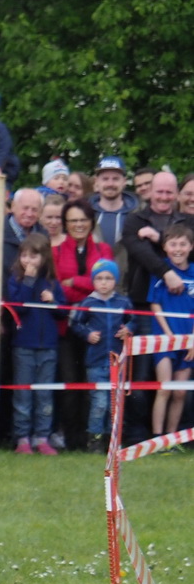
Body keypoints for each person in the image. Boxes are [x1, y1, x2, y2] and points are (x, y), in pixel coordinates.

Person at [52, 200, 111, 449]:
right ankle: (71, 438)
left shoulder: (103, 249)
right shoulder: (55, 251)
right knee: (70, 382)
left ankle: (93, 438)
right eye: (73, 220)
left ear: (91, 222)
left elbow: (105, 284)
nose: (78, 225)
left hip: (97, 329)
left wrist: (74, 281)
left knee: (94, 385)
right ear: (65, 224)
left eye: (83, 220)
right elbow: (58, 289)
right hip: (65, 328)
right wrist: (87, 284)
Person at [1, 233, 65, 453]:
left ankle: (42, 437)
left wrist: (53, 301)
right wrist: (28, 281)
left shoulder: (52, 283)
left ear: (44, 257)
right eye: (24, 256)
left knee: (44, 393)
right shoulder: (16, 280)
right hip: (24, 346)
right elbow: (18, 308)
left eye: (34, 256)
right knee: (23, 393)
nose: (28, 260)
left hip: (48, 346)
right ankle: (22, 438)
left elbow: (63, 312)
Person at [69, 260, 129, 446]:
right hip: (95, 361)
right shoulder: (88, 302)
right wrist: (88, 334)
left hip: (118, 362)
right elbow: (75, 324)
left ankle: (113, 441)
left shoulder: (123, 302)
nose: (104, 282)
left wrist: (128, 329)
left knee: (115, 404)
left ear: (115, 280)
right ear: (93, 281)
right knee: (100, 403)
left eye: (109, 278)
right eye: (99, 278)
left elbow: (134, 320)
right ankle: (94, 440)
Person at [147, 223, 194, 439]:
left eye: (183, 244)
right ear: (165, 247)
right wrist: (168, 335)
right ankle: (157, 438)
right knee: (164, 388)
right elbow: (154, 304)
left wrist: (192, 338)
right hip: (164, 339)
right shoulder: (161, 271)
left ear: (191, 247)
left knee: (180, 392)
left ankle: (170, 438)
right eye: (173, 244)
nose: (178, 249)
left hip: (188, 340)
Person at [122, 171, 189, 311]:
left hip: (183, 299)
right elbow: (141, 252)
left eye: (169, 192)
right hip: (143, 301)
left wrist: (159, 238)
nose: (164, 197)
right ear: (151, 191)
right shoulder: (134, 220)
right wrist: (167, 274)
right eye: (159, 192)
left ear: (177, 194)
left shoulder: (188, 221)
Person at [0, 188, 44, 278]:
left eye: (34, 210)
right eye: (25, 208)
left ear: (40, 212)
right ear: (13, 207)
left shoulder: (45, 237)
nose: (29, 214)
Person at [87, 155, 137, 250]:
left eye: (115, 179)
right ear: (96, 181)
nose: (110, 184)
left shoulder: (138, 214)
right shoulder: (85, 213)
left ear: (124, 182)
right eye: (105, 179)